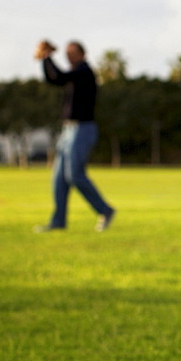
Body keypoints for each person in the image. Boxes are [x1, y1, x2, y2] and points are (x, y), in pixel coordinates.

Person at [33, 39, 116, 233]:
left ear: (82, 54)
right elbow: (53, 79)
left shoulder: (84, 71)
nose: (68, 56)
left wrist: (47, 56)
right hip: (68, 130)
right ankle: (58, 221)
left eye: (72, 53)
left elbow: (60, 76)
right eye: (66, 53)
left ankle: (105, 210)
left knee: (75, 175)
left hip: (83, 129)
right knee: (59, 179)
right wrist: (45, 60)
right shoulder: (75, 73)